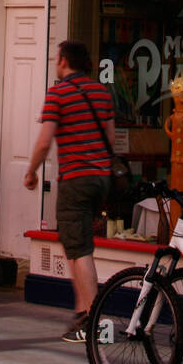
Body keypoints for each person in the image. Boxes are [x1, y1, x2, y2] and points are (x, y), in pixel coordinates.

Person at [24, 40, 114, 342]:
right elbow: (112, 140)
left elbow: (44, 141)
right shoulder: (102, 92)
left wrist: (31, 171)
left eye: (55, 58)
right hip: (101, 177)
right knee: (80, 243)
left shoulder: (58, 93)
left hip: (75, 178)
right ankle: (80, 312)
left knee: (79, 249)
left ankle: (94, 319)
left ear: (63, 60)